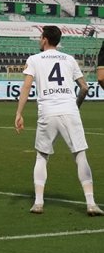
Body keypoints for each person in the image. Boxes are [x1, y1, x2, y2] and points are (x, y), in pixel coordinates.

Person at [14, 26, 103, 216]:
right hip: (70, 110)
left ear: (45, 39)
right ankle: (91, 203)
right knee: (80, 156)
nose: (39, 40)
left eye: (40, 37)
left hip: (47, 111)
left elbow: (26, 87)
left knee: (42, 157)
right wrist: (75, 105)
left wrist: (19, 113)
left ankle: (38, 203)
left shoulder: (34, 59)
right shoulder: (69, 59)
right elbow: (85, 88)